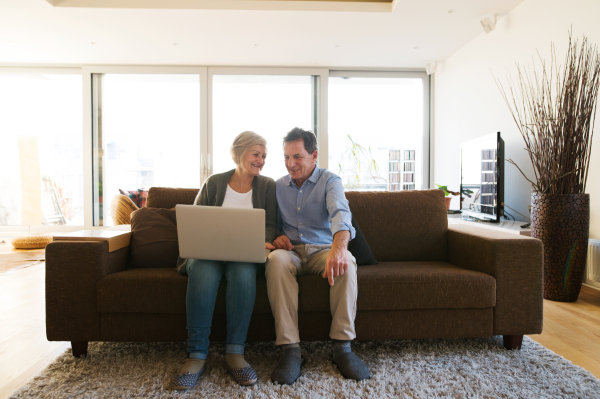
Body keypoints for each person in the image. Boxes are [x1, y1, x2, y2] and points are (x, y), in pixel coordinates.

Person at [172, 131, 277, 390]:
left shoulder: (267, 186)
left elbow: (272, 225)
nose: (261, 160)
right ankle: (196, 355)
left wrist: (264, 240)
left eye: (264, 156)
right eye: (256, 154)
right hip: (207, 253)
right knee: (205, 272)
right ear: (239, 153)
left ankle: (235, 354)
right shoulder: (214, 183)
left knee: (243, 272)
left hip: (244, 254)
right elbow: (195, 222)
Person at [265, 127, 370, 385]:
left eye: (297, 157)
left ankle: (342, 348)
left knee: (347, 262)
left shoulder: (330, 181)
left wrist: (339, 248)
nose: (291, 164)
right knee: (275, 261)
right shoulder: (277, 187)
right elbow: (269, 224)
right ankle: (290, 350)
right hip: (291, 253)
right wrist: (277, 236)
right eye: (287, 157)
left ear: (314, 155)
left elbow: (341, 216)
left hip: (323, 250)